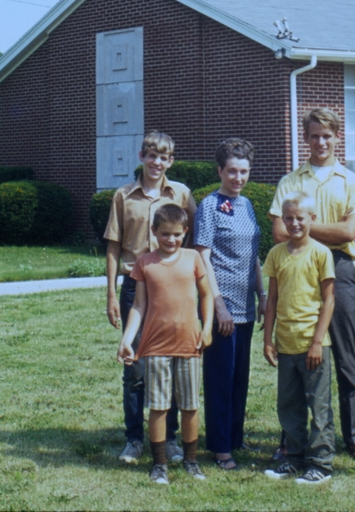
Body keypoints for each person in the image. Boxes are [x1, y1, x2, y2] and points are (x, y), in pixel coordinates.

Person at [269, 108, 355, 462]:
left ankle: (354, 436)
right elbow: (281, 232)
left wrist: (304, 226)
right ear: (306, 137)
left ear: (337, 137)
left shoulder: (353, 182)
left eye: (327, 135)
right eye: (314, 135)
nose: (321, 142)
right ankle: (291, 437)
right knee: (295, 352)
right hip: (296, 265)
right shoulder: (290, 181)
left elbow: (349, 233)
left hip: (339, 268)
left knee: (344, 351)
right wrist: (312, 230)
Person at [105, 130, 197, 464]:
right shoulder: (123, 196)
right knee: (135, 366)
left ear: (171, 160)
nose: (157, 162)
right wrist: (112, 295)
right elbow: (113, 247)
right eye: (151, 155)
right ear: (142, 156)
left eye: (164, 157)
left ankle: (170, 439)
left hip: (171, 287)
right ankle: (134, 438)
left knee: (169, 363)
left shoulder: (182, 194)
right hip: (134, 287)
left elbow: (193, 237)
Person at [117, 203, 213, 485]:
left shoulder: (193, 258)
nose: (171, 240)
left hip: (189, 343)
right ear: (154, 232)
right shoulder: (144, 263)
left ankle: (191, 460)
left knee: (190, 405)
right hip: (155, 346)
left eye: (176, 235)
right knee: (158, 406)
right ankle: (159, 464)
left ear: (185, 232)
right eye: (165, 234)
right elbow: (138, 306)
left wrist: (206, 328)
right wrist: (126, 339)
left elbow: (206, 295)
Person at [194, 138, 266, 470]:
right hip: (221, 307)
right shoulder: (209, 205)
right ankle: (221, 447)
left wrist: (262, 296)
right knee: (220, 378)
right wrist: (217, 304)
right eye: (232, 171)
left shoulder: (247, 205)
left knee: (240, 377)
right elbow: (203, 257)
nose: (238, 178)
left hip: (247, 307)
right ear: (220, 170)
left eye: (244, 171)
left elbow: (254, 258)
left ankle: (235, 438)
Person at [263, 192, 336, 485]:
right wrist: (268, 340)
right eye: (288, 218)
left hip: (312, 344)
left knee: (318, 405)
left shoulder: (321, 253)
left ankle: (321, 463)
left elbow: (329, 300)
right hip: (286, 343)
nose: (294, 224)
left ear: (312, 220)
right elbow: (272, 301)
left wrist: (317, 341)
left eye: (300, 218)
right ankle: (294, 457)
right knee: (289, 404)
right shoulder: (276, 254)